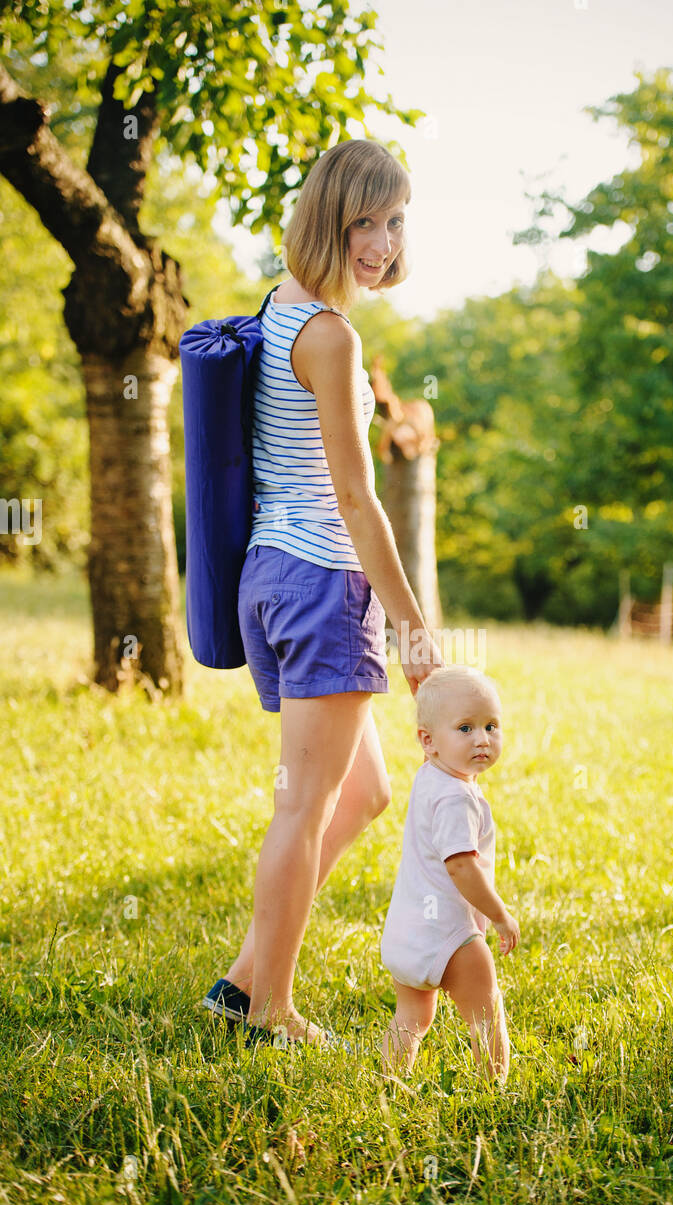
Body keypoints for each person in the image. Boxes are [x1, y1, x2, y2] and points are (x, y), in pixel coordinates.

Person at [201, 140, 443, 1051]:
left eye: (394, 221)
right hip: (322, 579)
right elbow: (354, 497)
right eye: (363, 223)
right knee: (302, 805)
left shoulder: (280, 307)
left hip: (272, 579)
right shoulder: (331, 336)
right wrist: (414, 632)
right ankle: (268, 1012)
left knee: (364, 793)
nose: (381, 242)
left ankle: (241, 980)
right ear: (327, 221)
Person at [380, 666, 520, 1083]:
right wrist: (498, 914)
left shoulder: (430, 777)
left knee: (411, 1017)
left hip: (406, 933)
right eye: (465, 728)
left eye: (491, 726)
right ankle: (494, 1089)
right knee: (486, 1013)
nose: (482, 738)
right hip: (450, 934)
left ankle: (387, 1084)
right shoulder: (458, 799)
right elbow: (461, 866)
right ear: (428, 741)